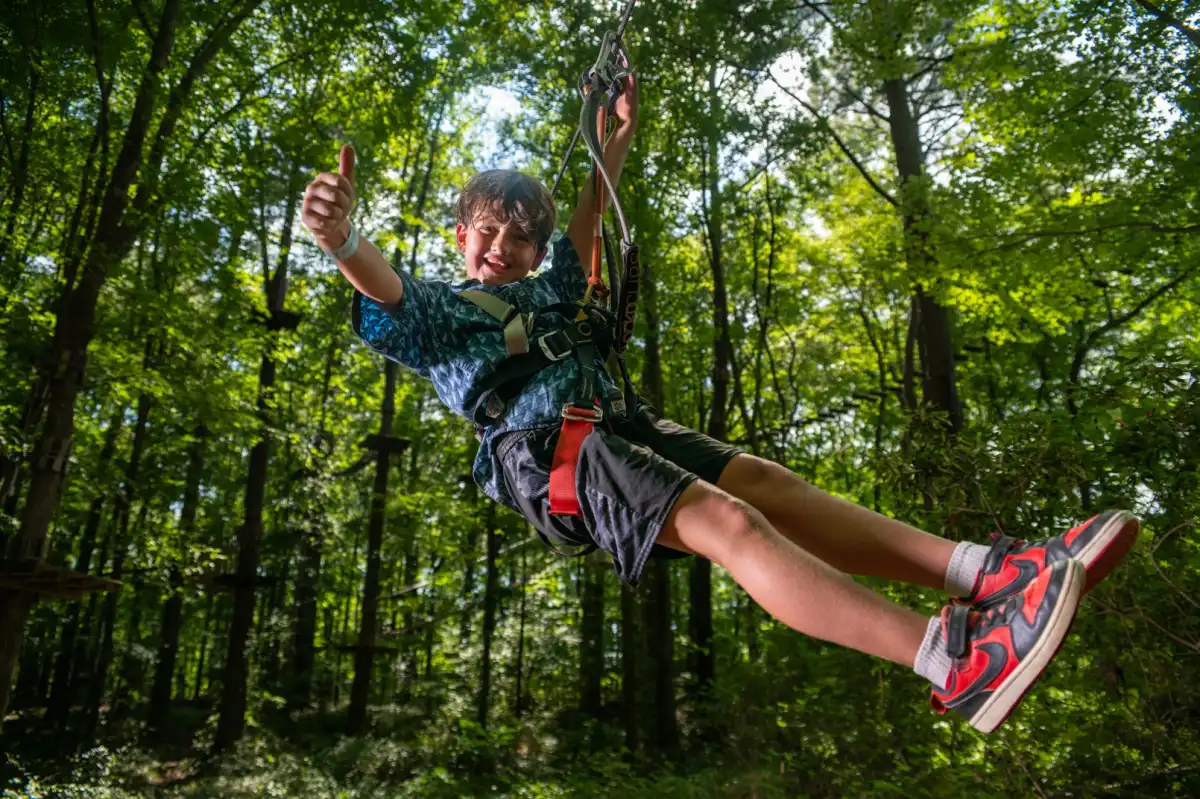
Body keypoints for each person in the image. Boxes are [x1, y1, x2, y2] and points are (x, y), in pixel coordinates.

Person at [299, 76, 1140, 734]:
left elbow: (589, 213)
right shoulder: (444, 312)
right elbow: (386, 286)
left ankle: (989, 573)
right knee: (730, 523)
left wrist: (614, 135)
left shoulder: (551, 286)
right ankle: (953, 660)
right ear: (461, 234)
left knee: (764, 483)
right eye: (488, 228)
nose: (502, 244)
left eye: (520, 235)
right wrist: (342, 238)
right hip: (547, 451)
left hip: (612, 424)